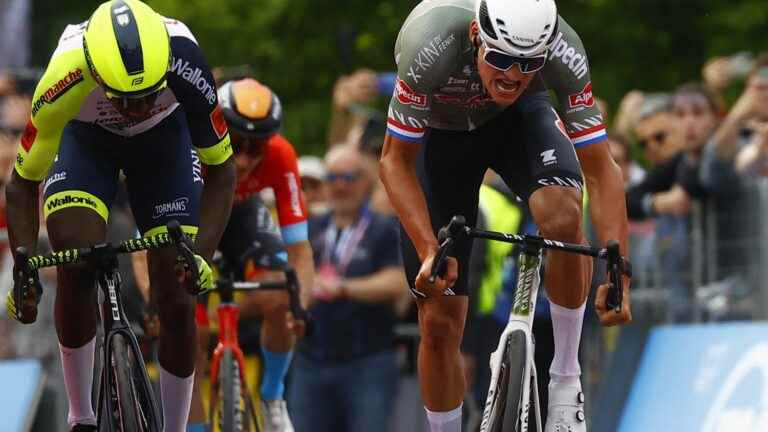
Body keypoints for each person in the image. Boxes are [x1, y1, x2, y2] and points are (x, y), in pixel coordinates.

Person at [377, 1, 632, 431]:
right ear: (477, 36)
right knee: (439, 320)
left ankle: (567, 381)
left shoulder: (564, 49)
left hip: (517, 122)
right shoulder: (432, 44)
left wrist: (618, 265)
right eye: (499, 59)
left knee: (563, 213)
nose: (512, 75)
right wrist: (428, 249)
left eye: (528, 64)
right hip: (442, 138)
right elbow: (393, 162)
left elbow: (602, 170)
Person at [4, 1, 236, 431]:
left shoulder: (185, 58)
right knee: (75, 261)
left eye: (149, 93)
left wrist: (201, 255)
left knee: (178, 290)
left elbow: (222, 170)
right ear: (95, 72)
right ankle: (82, 417)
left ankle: (176, 426)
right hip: (85, 138)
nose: (138, 107)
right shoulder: (64, 73)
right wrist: (24, 266)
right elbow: (20, 183)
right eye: (126, 98)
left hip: (166, 140)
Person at [190, 77, 315, 432]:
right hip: (194, 216)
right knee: (187, 335)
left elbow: (299, 250)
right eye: (235, 143)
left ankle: (273, 396)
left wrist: (300, 306)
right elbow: (145, 246)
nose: (244, 159)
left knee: (279, 292)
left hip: (242, 215)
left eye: (256, 147)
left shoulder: (281, 155)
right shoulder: (190, 143)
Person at [289, 144, 408, 432]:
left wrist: (342, 288)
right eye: (333, 178)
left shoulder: (385, 228)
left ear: (366, 180)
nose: (340, 186)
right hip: (311, 360)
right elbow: (290, 276)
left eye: (349, 177)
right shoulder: (310, 228)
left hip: (367, 361)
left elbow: (398, 282)